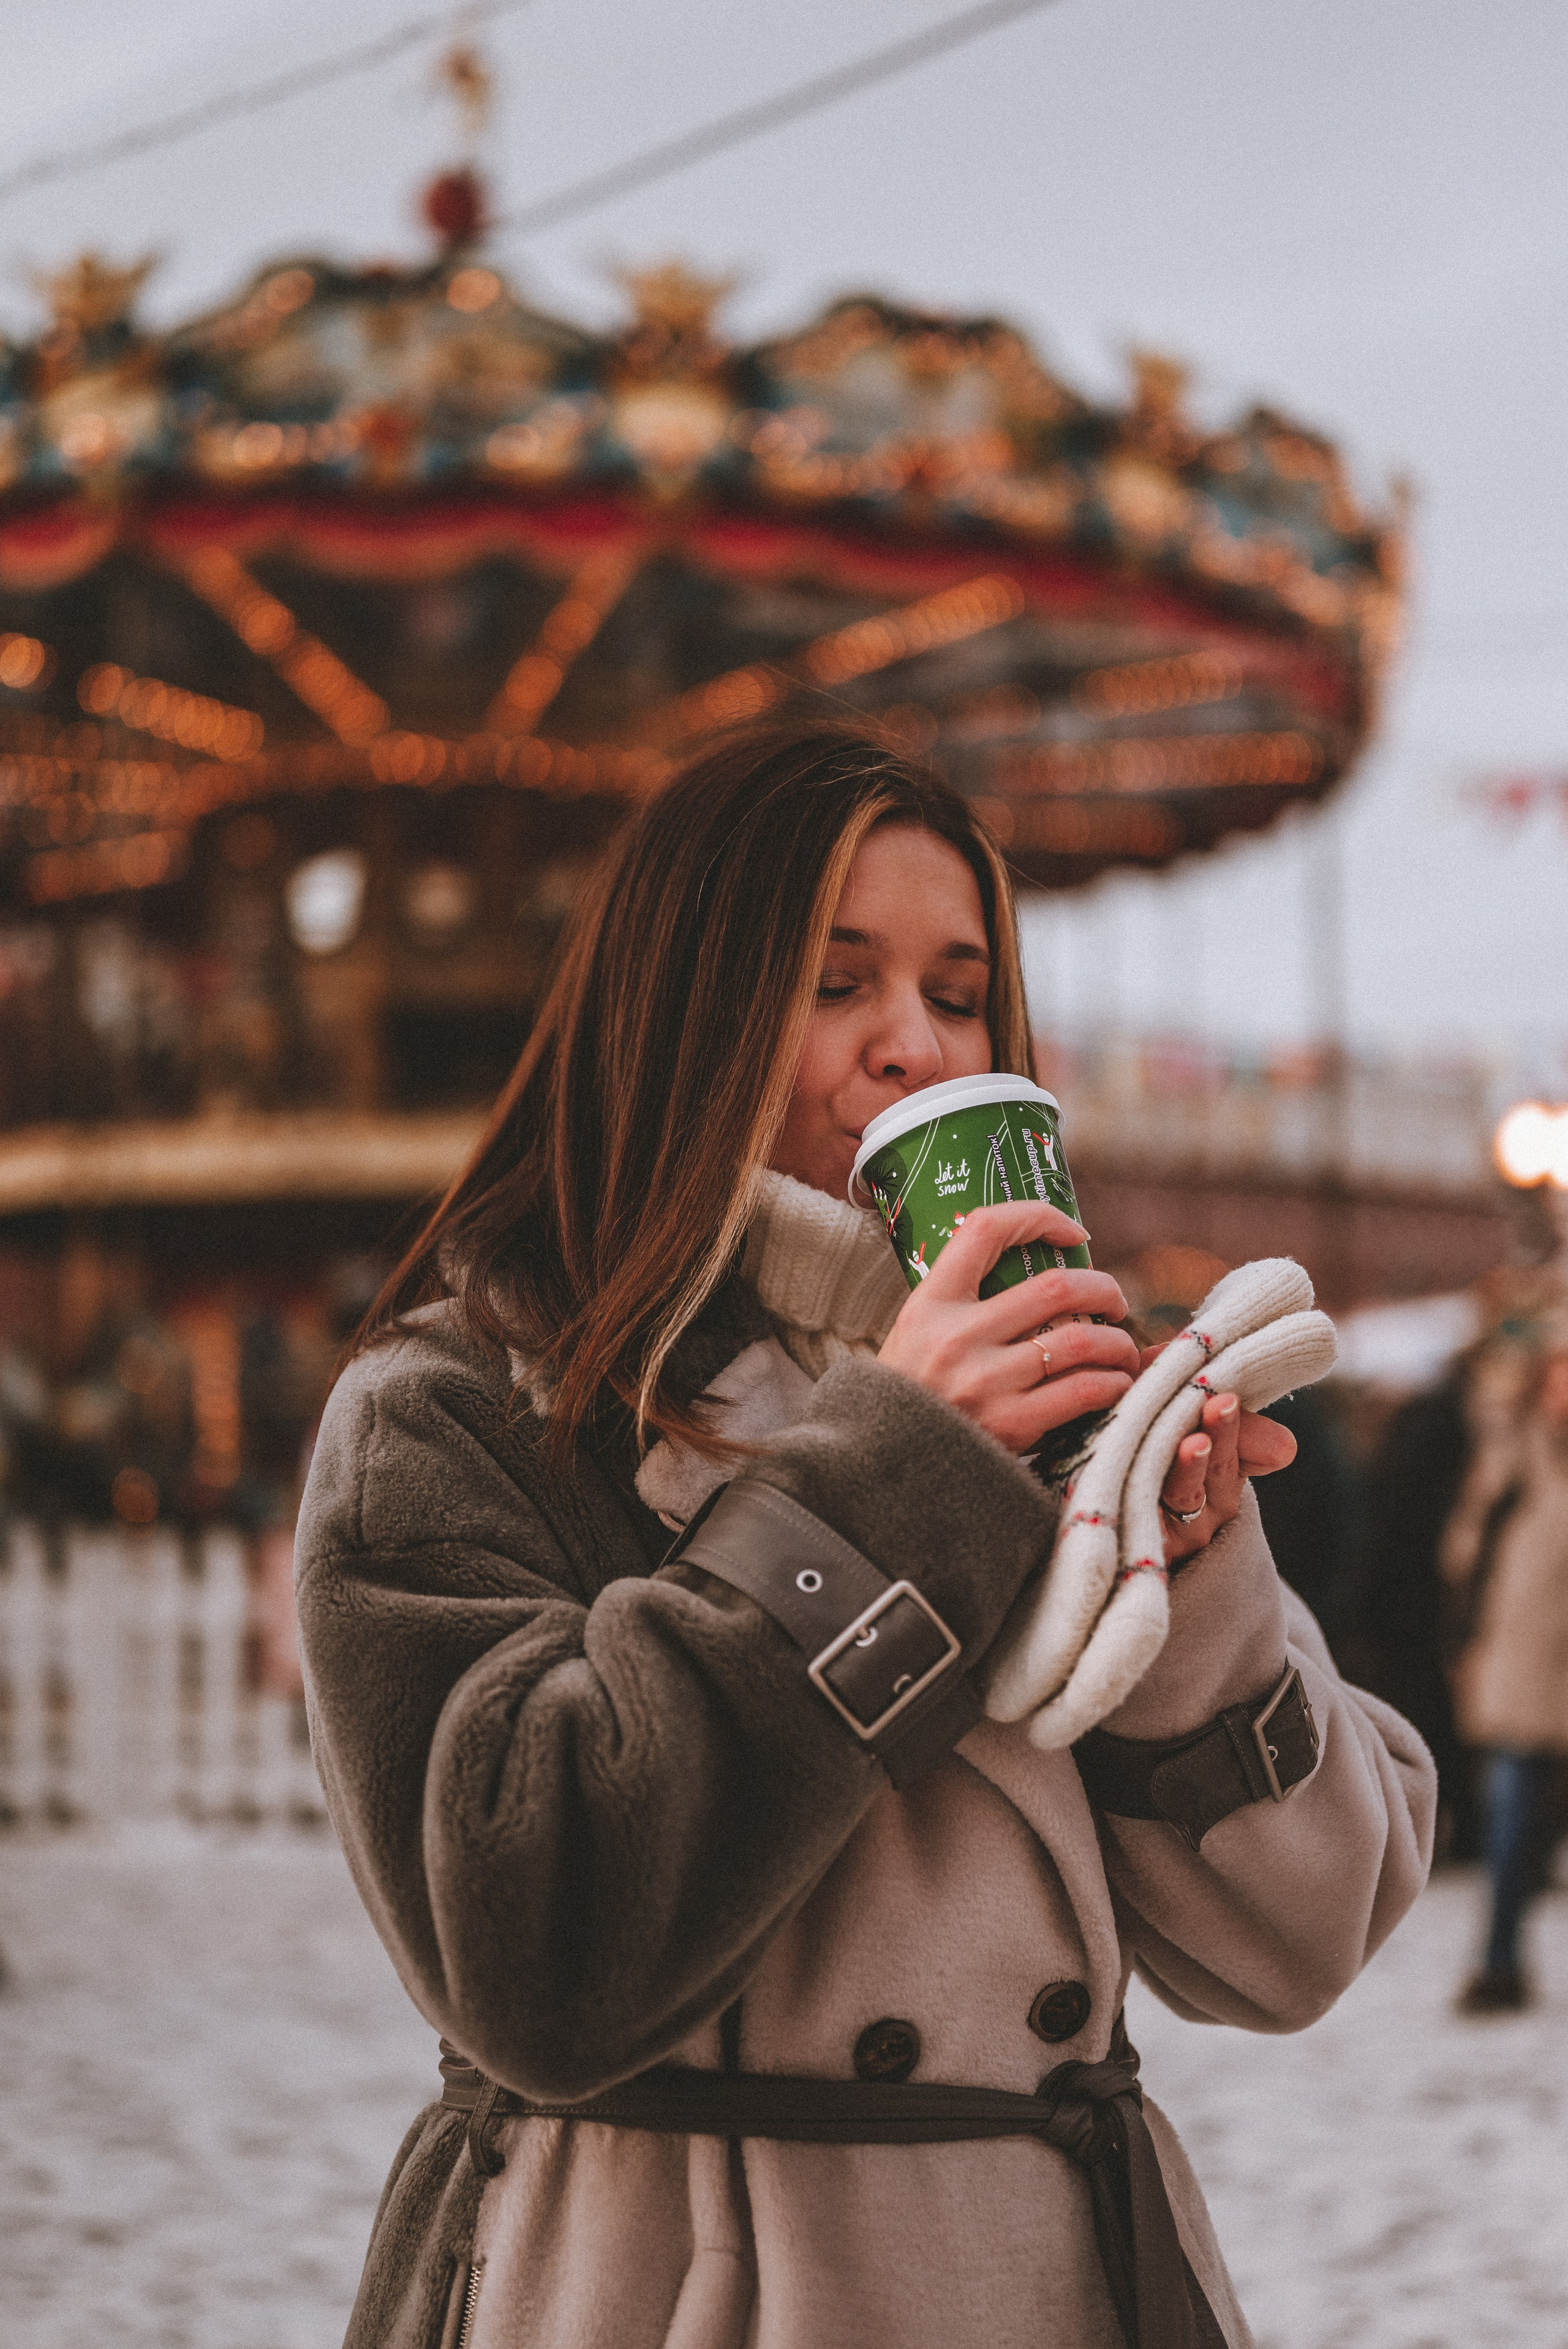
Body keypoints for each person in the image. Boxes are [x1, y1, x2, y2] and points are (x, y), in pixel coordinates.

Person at [295, 718, 1436, 2349]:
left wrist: (1178, 1570)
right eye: (836, 983)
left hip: (1054, 2278)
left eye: (957, 991)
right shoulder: (459, 1412)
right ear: (685, 1016)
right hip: (670, 2278)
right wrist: (900, 1473)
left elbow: (1299, 1945)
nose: (912, 1041)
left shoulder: (1056, 1415)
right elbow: (532, 1950)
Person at [1444, 1316, 1568, 2012]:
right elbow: (1466, 1555)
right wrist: (1466, 1642)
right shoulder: (1512, 1460)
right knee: (1514, 1818)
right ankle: (1498, 1960)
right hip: (1522, 1659)